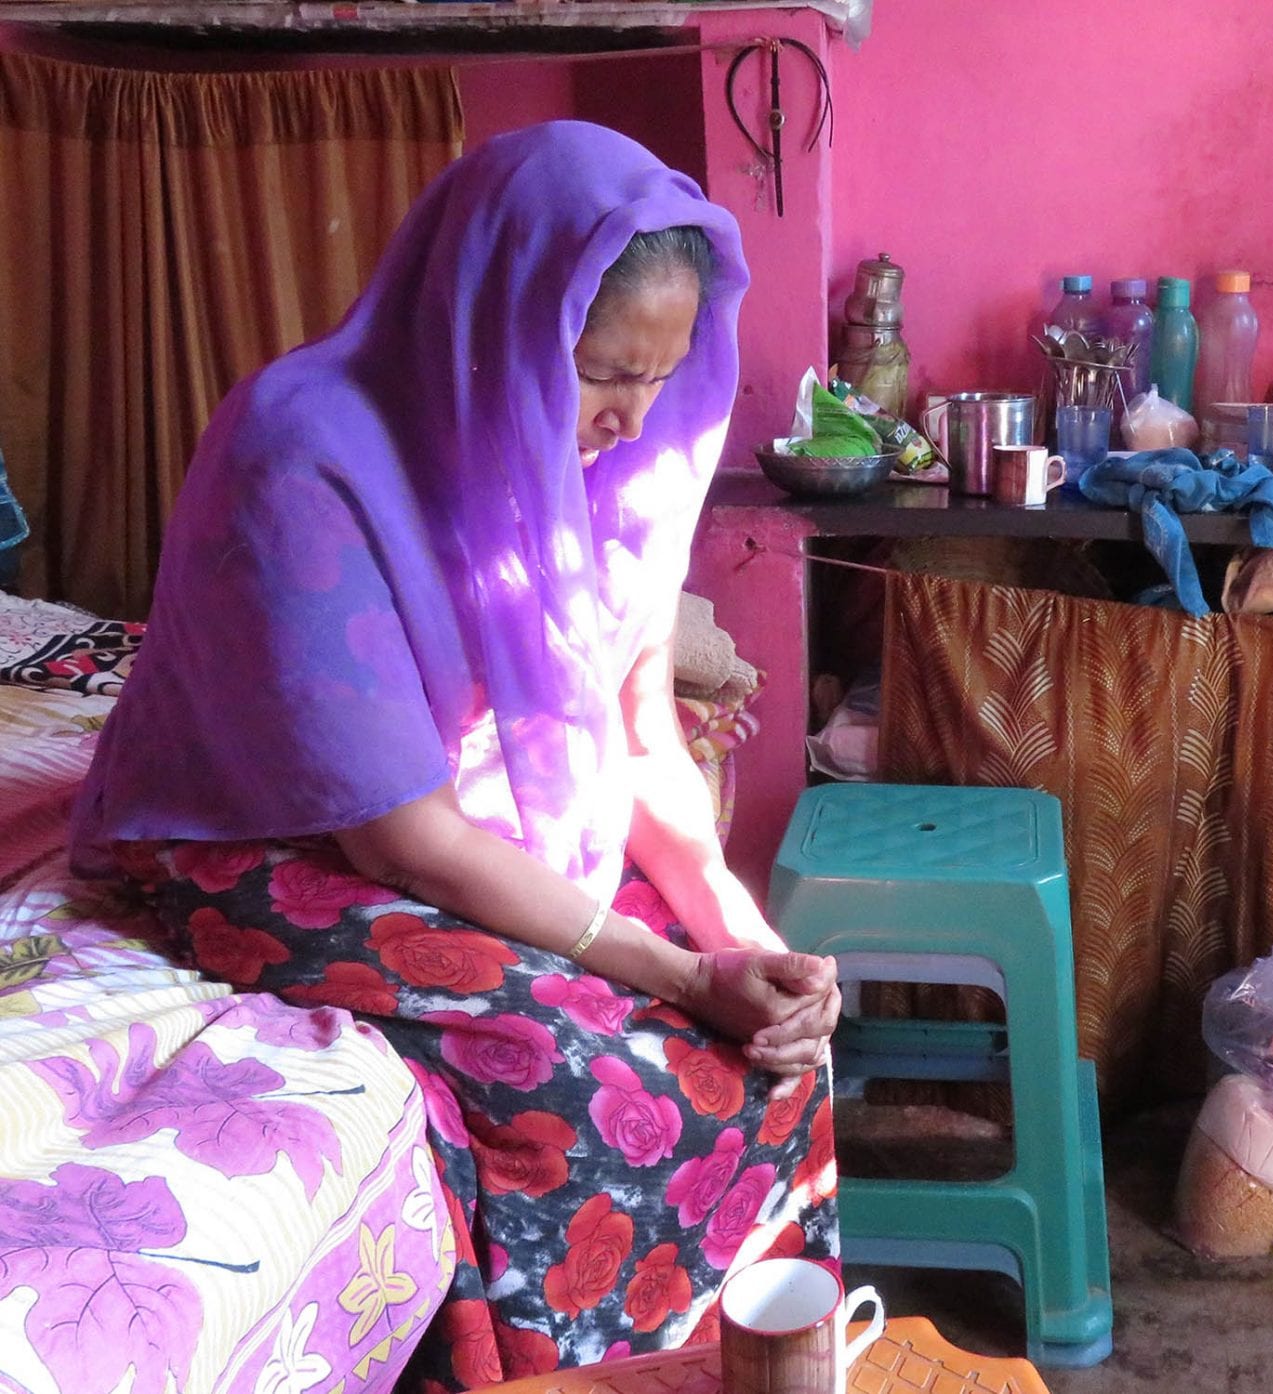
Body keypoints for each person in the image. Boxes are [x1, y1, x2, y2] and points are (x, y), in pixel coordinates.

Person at [71, 120, 840, 1390]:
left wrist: (736, 934)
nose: (629, 419)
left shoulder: (615, 467)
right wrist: (671, 969)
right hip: (269, 832)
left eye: (660, 377)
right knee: (587, 1079)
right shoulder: (299, 455)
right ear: (495, 326)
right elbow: (398, 836)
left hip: (474, 811)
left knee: (773, 1059)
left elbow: (639, 730)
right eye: (601, 373)